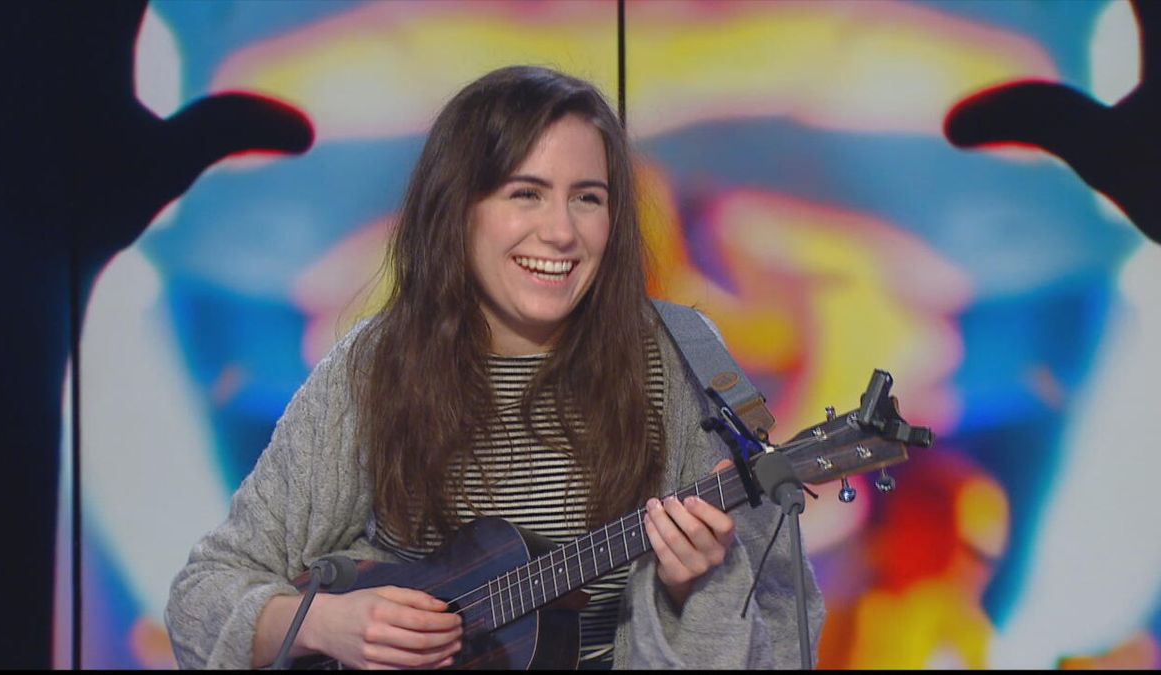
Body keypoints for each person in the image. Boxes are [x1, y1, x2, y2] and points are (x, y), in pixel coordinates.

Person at [165, 64, 824, 670]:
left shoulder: (681, 357)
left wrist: (696, 590)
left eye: (588, 198)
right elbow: (204, 598)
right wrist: (325, 624)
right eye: (526, 193)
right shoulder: (375, 365)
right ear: (459, 208)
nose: (561, 231)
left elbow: (785, 628)